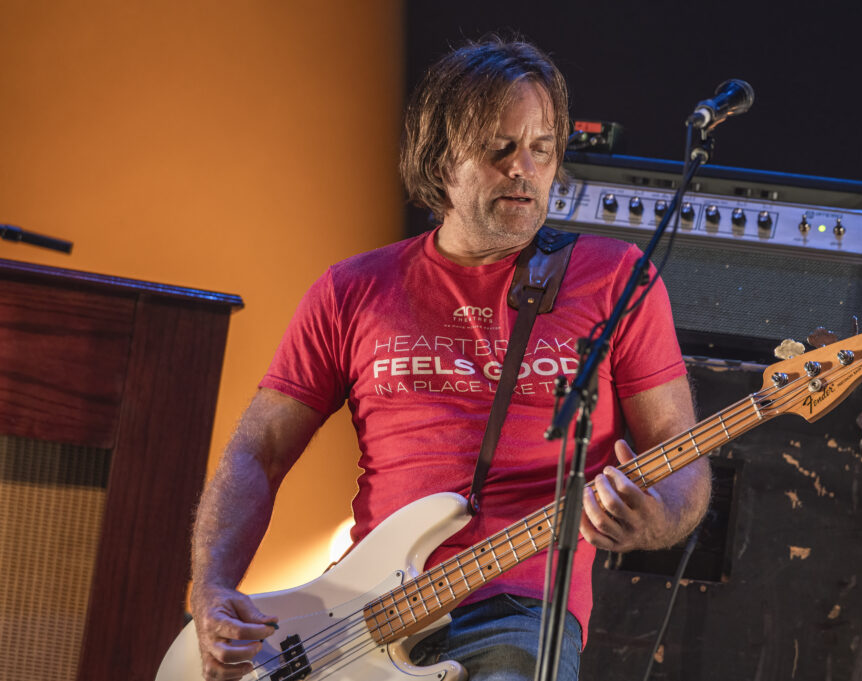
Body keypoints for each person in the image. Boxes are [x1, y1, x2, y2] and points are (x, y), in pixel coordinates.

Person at [189, 37, 711, 681]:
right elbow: (258, 450)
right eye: (499, 147)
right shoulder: (353, 288)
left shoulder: (614, 279)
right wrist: (212, 588)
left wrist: (656, 518)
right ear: (440, 160)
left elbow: (680, 450)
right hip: (361, 615)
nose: (524, 169)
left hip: (519, 612)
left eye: (542, 148)